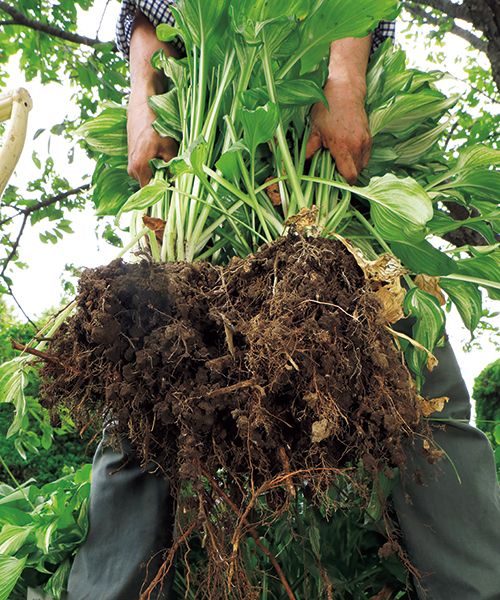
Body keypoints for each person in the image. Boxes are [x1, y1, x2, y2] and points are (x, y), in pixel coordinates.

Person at [67, 3, 500, 599]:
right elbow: (149, 9)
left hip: (322, 157)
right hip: (202, 144)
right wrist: (143, 100)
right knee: (143, 389)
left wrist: (344, 77)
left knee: (419, 393)